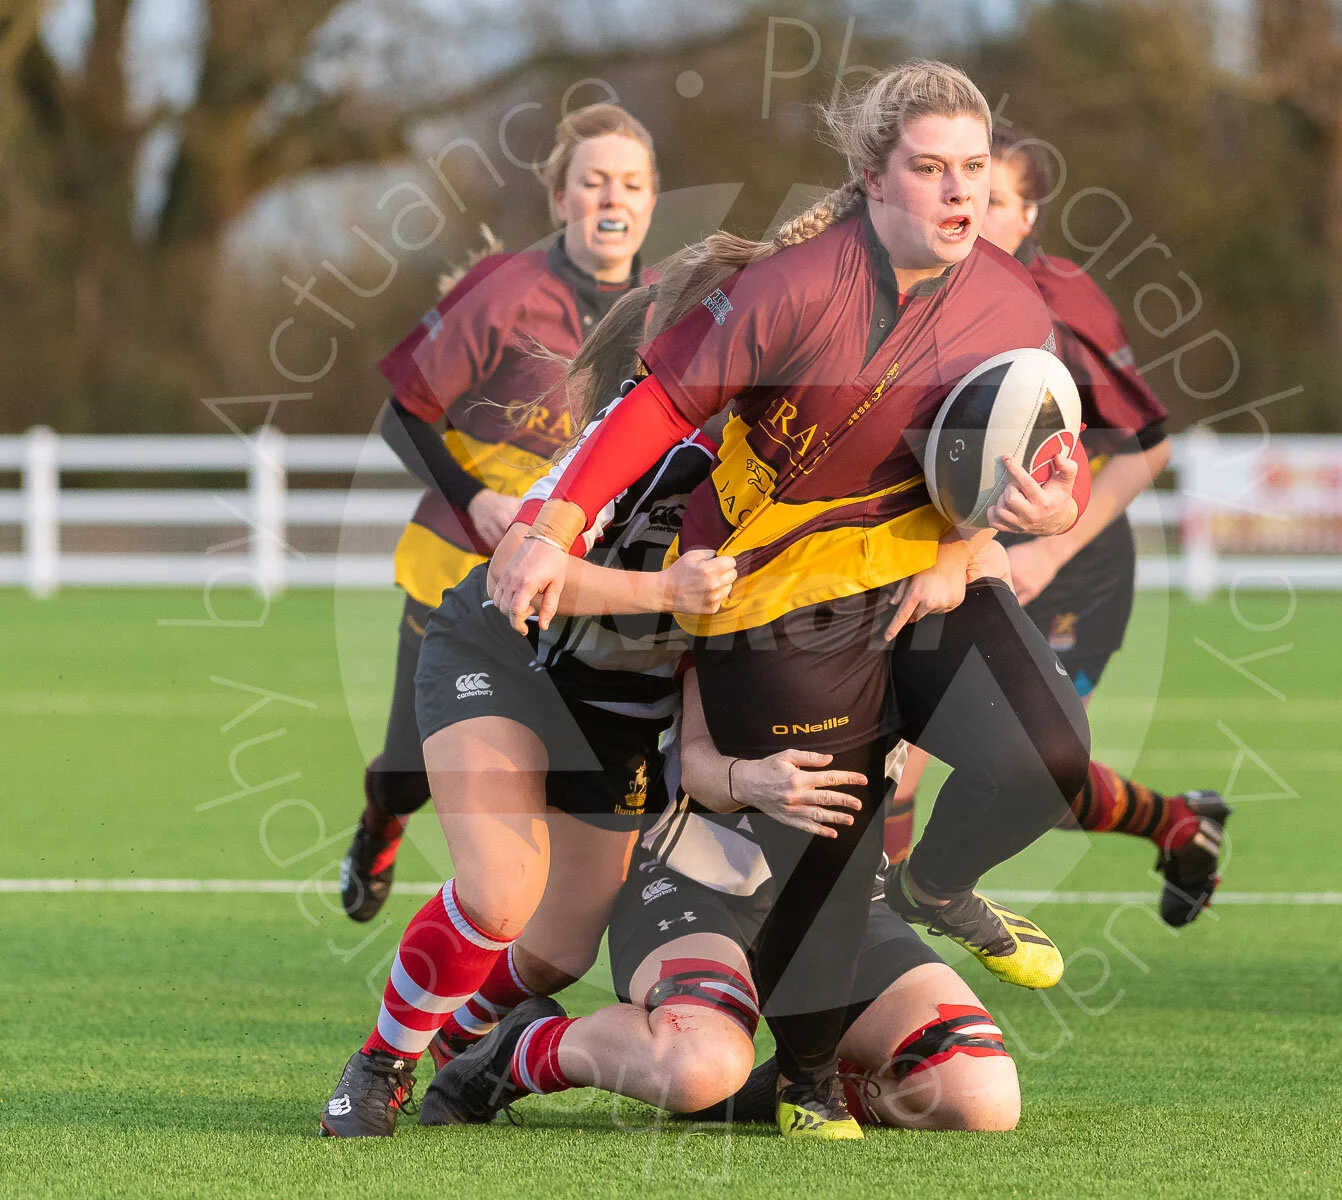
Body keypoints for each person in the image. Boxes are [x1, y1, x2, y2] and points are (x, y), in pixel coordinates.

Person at [489, 61, 1092, 1138]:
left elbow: (1042, 447)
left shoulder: (1003, 303)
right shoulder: (773, 324)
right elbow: (657, 409)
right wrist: (557, 528)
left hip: (890, 672)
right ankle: (758, 1073)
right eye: (930, 169)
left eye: (973, 171)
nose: (959, 193)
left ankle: (909, 930)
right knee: (795, 882)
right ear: (872, 178)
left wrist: (1023, 518)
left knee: (1039, 781)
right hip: (741, 742)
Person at [319, 392, 735, 1138]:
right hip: (504, 655)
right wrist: (666, 594)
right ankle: (382, 1064)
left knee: (557, 950)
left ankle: (460, 1042)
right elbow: (521, 576)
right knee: (500, 893)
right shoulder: (640, 439)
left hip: (620, 717)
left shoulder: (803, 484)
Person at [420, 661, 1022, 1135]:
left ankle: (782, 1085)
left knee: (977, 1096)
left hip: (836, 897)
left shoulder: (915, 592)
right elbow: (700, 763)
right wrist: (750, 781)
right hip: (698, 876)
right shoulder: (765, 579)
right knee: (698, 1065)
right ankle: (524, 1049)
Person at [884, 128, 1230, 927]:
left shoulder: (1060, 295)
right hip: (974, 554)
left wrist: (1051, 546)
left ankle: (882, 949)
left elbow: (1149, 447)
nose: (966, 206)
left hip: (1074, 568)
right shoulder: (928, 290)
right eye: (953, 185)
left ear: (1030, 214)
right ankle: (1178, 821)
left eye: (994, 196)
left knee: (1015, 767)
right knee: (958, 761)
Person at [340, 103, 660, 922]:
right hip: (463, 566)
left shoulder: (669, 307)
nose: (610, 197)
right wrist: (476, 498)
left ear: (651, 200)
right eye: (592, 181)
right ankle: (382, 817)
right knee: (414, 767)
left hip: (578, 581)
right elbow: (400, 415)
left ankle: (535, 946)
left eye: (629, 182)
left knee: (572, 767)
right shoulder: (507, 291)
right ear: (561, 197)